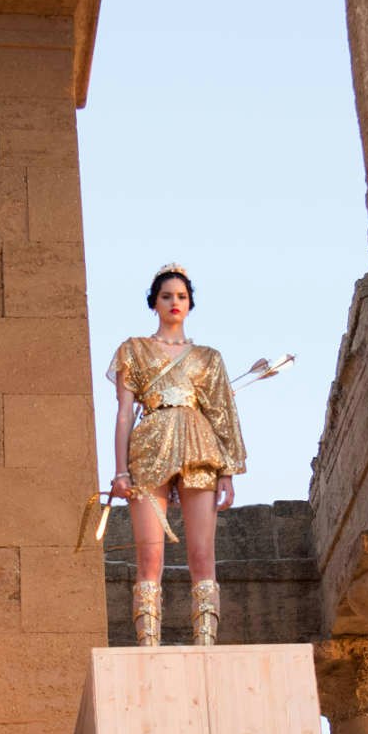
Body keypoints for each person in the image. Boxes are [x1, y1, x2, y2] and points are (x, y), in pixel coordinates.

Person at [108, 264, 248, 646]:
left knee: (202, 553)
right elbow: (123, 413)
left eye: (182, 297)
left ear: (190, 304)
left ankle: (205, 643)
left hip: (199, 447)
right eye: (167, 296)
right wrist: (120, 471)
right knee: (149, 556)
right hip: (149, 446)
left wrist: (228, 473)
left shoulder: (208, 357)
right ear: (154, 302)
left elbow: (221, 413)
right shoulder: (132, 350)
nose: (174, 302)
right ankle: (148, 644)